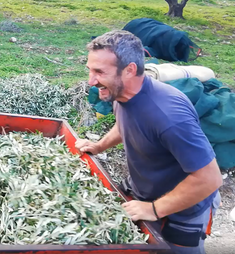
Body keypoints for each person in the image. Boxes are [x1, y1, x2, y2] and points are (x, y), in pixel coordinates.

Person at [75, 30, 222, 254]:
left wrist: (154, 209)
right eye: (90, 70)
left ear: (129, 70)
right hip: (147, 191)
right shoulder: (121, 94)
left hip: (185, 207)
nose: (91, 81)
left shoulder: (168, 115)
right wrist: (99, 145)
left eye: (99, 72)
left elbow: (209, 179)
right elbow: (125, 124)